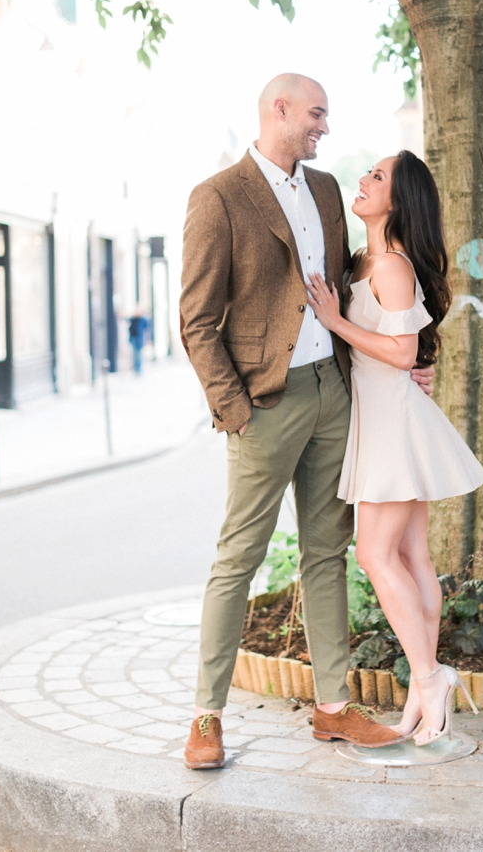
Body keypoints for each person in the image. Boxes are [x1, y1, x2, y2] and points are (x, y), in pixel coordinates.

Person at [179, 73, 435, 769]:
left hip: (336, 394)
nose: (325, 125)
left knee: (329, 554)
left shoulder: (324, 189)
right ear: (279, 110)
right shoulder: (218, 197)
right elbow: (198, 321)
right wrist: (234, 410)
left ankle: (332, 707)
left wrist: (410, 349)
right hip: (265, 402)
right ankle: (206, 715)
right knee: (239, 557)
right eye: (317, 113)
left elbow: (361, 272)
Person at [305, 151, 483, 745]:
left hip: (392, 423)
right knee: (411, 557)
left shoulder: (391, 266)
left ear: (398, 200)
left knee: (374, 555)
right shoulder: (365, 260)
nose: (363, 180)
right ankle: (422, 691)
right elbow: (410, 350)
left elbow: (404, 352)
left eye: (377, 177)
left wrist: (335, 320)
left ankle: (430, 676)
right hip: (386, 417)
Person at [127, 309, 149, 374]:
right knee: (134, 354)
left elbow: (146, 326)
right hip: (134, 339)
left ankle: (139, 369)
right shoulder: (133, 320)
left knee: (139, 354)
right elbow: (129, 325)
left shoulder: (142, 320)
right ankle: (136, 369)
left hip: (140, 339)